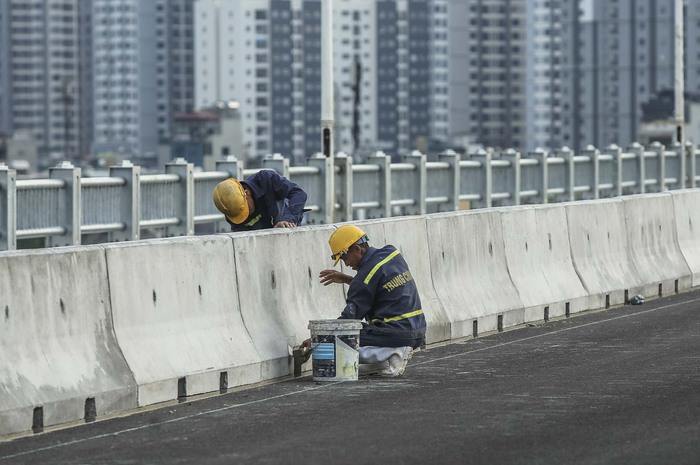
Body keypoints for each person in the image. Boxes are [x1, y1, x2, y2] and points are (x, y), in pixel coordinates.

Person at [302, 224, 426, 377]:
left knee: (339, 341)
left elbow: (347, 321)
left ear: (357, 250)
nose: (346, 264)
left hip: (397, 333)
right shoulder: (392, 253)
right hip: (417, 330)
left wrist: (317, 339)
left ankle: (393, 353)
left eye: (345, 258)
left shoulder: (363, 279)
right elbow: (378, 284)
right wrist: (349, 279)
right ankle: (385, 360)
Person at [212, 170, 308, 231]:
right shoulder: (233, 209)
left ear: (246, 193)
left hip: (286, 223)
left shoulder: (266, 179)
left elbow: (298, 193)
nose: (247, 214)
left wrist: (287, 219)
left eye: (246, 208)